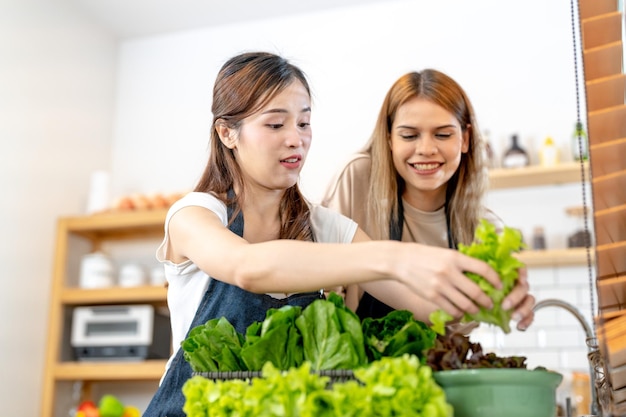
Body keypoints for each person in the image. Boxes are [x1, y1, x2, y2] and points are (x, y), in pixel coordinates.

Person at [143, 53, 533, 416]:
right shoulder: (194, 215)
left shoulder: (326, 227)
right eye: (276, 124)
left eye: (304, 122)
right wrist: (395, 258)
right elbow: (247, 266)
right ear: (228, 133)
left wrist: (496, 294)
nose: (295, 138)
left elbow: (430, 309)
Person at [322, 69, 535, 327]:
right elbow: (325, 286)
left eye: (443, 134)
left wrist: (507, 299)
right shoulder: (357, 178)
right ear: (389, 138)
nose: (425, 150)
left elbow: (463, 327)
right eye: (409, 135)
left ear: (465, 139)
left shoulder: (485, 228)